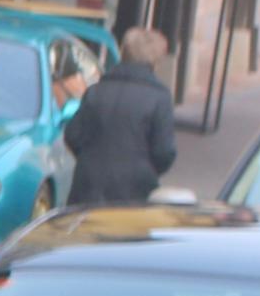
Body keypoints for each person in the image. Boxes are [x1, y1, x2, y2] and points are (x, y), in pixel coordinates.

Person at [63, 27, 181, 208]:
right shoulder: (160, 98)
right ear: (155, 61)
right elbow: (164, 151)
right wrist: (146, 169)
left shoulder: (96, 91)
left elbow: (73, 135)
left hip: (88, 187)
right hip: (135, 192)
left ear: (123, 53)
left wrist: (89, 158)